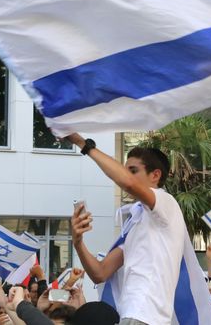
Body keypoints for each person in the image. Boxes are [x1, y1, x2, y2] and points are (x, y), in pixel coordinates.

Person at [67, 133, 191, 325]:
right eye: (125, 171)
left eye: (133, 170)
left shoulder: (166, 202)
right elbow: (100, 273)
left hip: (144, 315)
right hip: (135, 315)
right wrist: (77, 242)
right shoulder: (136, 224)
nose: (126, 176)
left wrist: (83, 144)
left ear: (155, 175)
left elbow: (128, 183)